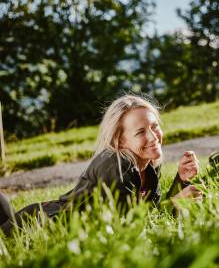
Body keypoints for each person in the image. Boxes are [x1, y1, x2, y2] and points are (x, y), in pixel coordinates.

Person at [0, 94, 202, 236]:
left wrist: (181, 180)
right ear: (120, 140)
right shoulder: (116, 165)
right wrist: (176, 203)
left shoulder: (147, 163)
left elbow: (151, 212)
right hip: (37, 226)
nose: (153, 136)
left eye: (154, 126)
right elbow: (130, 228)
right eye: (140, 132)